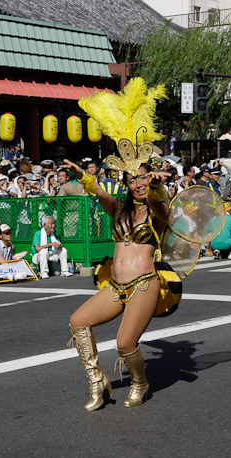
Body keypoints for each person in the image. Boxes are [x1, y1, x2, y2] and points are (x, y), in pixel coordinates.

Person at [63, 158, 170, 410]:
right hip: (114, 286)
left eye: (142, 178)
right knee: (78, 321)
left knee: (124, 343)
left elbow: (158, 207)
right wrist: (82, 175)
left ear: (150, 178)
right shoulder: (120, 209)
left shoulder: (160, 210)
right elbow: (99, 192)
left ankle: (140, 383)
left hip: (144, 284)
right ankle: (97, 381)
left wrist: (155, 189)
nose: (138, 184)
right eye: (131, 180)